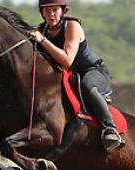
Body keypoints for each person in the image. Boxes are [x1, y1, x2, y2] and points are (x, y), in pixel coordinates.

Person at [28, 0, 124, 152]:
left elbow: (67, 60)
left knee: (87, 85)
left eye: (54, 10)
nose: (51, 14)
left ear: (63, 10)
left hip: (92, 71)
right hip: (69, 76)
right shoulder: (42, 30)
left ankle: (110, 129)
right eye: (46, 11)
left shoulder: (72, 26)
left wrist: (43, 40)